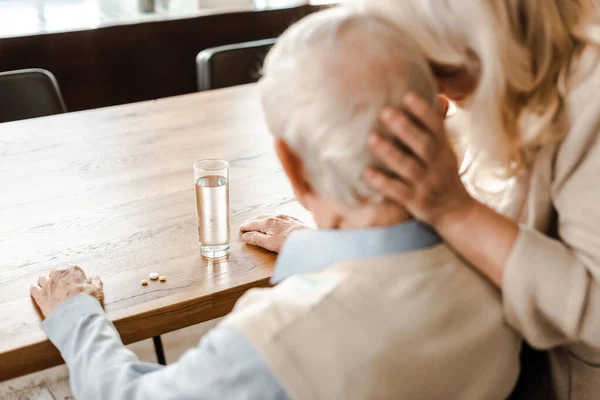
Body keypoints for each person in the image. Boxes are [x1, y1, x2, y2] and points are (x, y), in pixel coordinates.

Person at [31, 9, 521, 400]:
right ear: (439, 116)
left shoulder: (278, 338)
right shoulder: (508, 265)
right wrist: (318, 244)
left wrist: (76, 314)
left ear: (293, 166)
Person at [240, 0, 600, 399]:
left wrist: (455, 210)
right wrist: (338, 246)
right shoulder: (501, 77)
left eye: (442, 69)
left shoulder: (591, 98)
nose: (439, 96)